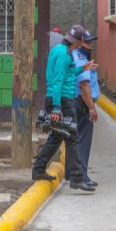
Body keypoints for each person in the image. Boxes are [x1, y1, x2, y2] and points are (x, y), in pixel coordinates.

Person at [32, 25, 99, 192]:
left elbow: (68, 74)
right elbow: (58, 81)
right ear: (79, 41)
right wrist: (56, 108)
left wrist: (83, 68)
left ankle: (38, 169)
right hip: (62, 100)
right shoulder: (65, 55)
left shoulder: (59, 50)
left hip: (58, 98)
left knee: (57, 137)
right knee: (73, 137)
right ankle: (77, 178)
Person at [65, 30, 100, 187]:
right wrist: (91, 108)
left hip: (75, 102)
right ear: (79, 43)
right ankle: (81, 176)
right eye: (87, 42)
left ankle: (71, 173)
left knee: (73, 138)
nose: (90, 45)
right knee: (82, 141)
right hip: (82, 103)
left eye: (91, 42)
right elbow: (84, 85)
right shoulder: (79, 57)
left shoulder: (76, 56)